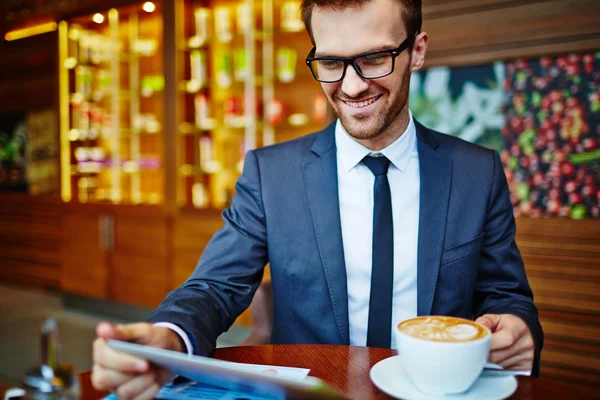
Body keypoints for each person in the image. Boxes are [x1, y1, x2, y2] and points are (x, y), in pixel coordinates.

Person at [91, 0, 543, 398]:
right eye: (330, 63)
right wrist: (169, 336)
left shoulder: (476, 172)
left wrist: (517, 330)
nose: (350, 87)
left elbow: (506, 296)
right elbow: (215, 286)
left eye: (373, 58)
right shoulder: (271, 174)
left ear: (417, 50)